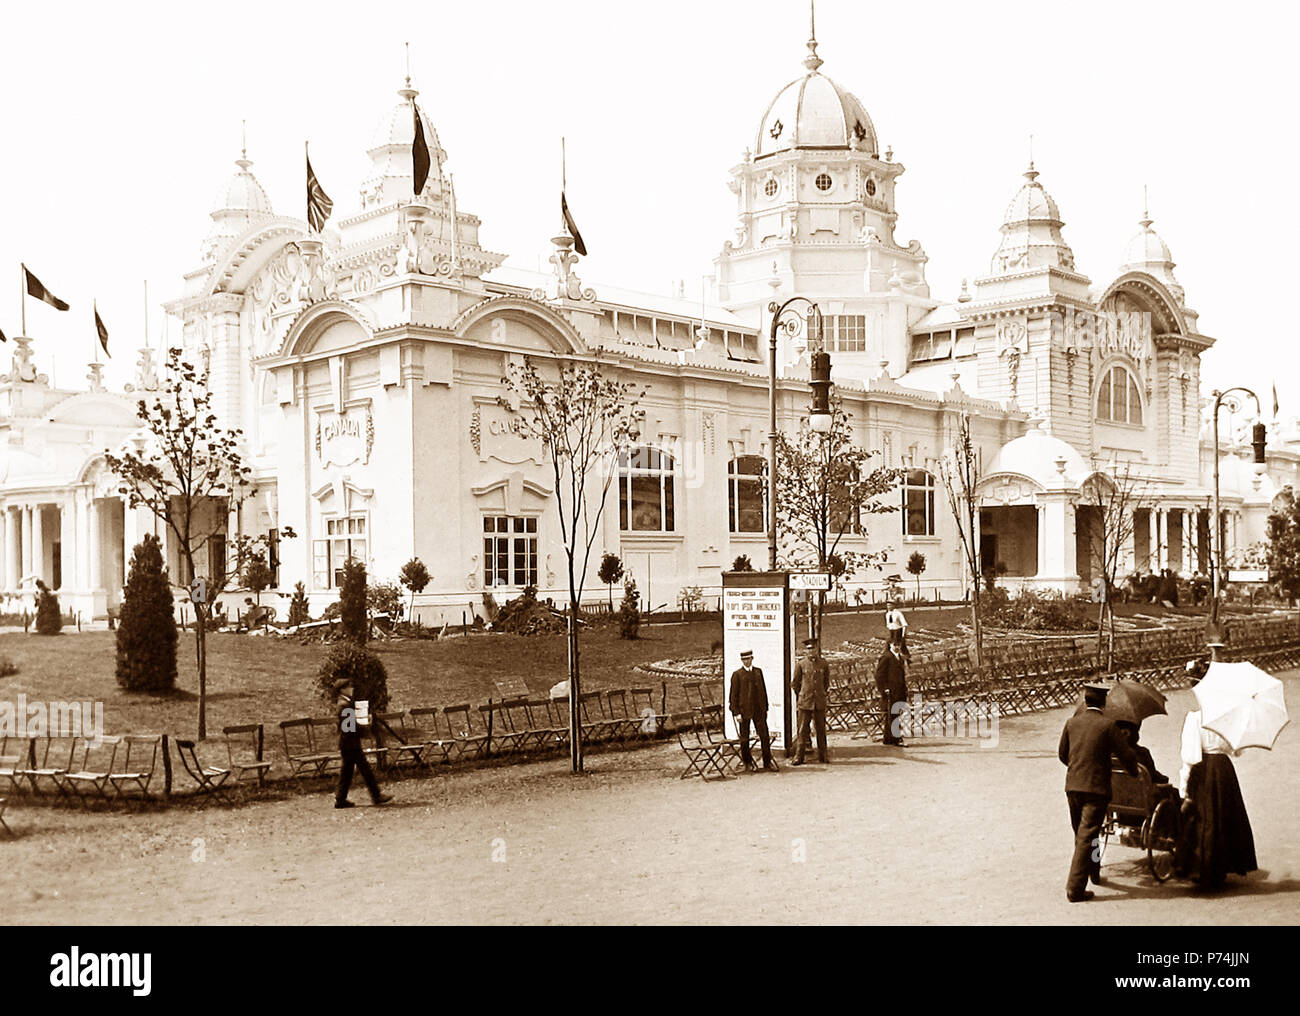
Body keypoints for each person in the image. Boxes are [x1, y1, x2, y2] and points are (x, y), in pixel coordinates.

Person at [1175, 657, 1257, 889]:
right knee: (1224, 816)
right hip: (1224, 770)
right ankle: (1222, 866)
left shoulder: (1195, 718)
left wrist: (1184, 788)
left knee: (1202, 818)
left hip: (1204, 769)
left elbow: (1190, 757)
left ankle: (1204, 869)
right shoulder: (1227, 715)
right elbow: (1236, 750)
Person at [1058, 683, 1139, 902]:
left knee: (1083, 834)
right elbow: (1126, 755)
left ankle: (1093, 871)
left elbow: (1063, 755)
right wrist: (1134, 773)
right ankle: (1075, 889)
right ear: (1104, 702)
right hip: (1095, 789)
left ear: (1086, 701)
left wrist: (1079, 767)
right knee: (1087, 836)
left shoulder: (1071, 723)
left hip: (1073, 786)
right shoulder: (1108, 725)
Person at [334, 681, 393, 809]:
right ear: (342, 690)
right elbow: (349, 728)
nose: (352, 688)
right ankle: (376, 795)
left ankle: (340, 799)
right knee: (364, 770)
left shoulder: (344, 703)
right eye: (349, 686)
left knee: (347, 772)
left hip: (348, 743)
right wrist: (366, 724)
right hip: (351, 744)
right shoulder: (345, 705)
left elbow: (349, 726)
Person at [728, 649, 776, 772]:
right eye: (744, 659)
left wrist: (765, 708)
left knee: (764, 736)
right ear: (741, 660)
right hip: (744, 711)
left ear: (752, 659)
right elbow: (733, 696)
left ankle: (767, 762)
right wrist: (736, 712)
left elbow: (763, 691)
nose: (747, 661)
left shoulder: (758, 672)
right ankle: (747, 763)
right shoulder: (737, 675)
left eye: (749, 659)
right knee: (744, 738)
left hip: (759, 710)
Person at [790, 637, 830, 765]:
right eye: (809, 649)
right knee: (802, 730)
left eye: (813, 648)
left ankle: (823, 756)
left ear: (817, 649)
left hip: (819, 701)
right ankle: (799, 757)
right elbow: (795, 683)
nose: (811, 651)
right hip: (805, 702)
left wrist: (821, 693)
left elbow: (826, 683)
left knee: (821, 730)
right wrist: (802, 695)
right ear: (805, 651)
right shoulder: (801, 664)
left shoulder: (823, 664)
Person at [874, 641, 908, 746]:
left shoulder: (900, 658)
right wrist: (884, 688)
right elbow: (879, 675)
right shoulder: (886, 657)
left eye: (899, 645)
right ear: (890, 645)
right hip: (890, 691)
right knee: (892, 715)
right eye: (895, 645)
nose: (897, 647)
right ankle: (896, 739)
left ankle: (888, 739)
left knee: (895, 714)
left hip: (899, 689)